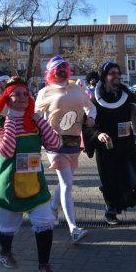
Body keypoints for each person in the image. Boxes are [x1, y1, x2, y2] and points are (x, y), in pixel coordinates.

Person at [0, 76, 62, 272]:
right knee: (7, 227)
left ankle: (44, 265)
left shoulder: (34, 123)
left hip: (35, 183)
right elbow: (6, 151)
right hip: (8, 185)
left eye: (26, 93)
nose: (24, 97)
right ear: (7, 98)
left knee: (44, 222)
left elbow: (55, 144)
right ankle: (5, 252)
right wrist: (11, 119)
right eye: (17, 94)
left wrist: (40, 120)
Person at [35, 56, 96, 243]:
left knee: (65, 182)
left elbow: (91, 107)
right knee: (68, 184)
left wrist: (91, 117)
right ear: (51, 72)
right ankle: (73, 229)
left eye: (64, 67)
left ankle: (53, 207)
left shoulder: (77, 89)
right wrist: (42, 130)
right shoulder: (45, 92)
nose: (62, 70)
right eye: (57, 68)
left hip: (74, 142)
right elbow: (36, 115)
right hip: (55, 142)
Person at [83, 62, 136, 225]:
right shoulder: (96, 98)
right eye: (112, 73)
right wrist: (98, 134)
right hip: (107, 147)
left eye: (118, 72)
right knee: (111, 180)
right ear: (104, 76)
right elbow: (87, 123)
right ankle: (110, 211)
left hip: (126, 144)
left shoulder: (127, 94)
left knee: (131, 177)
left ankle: (119, 205)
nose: (116, 76)